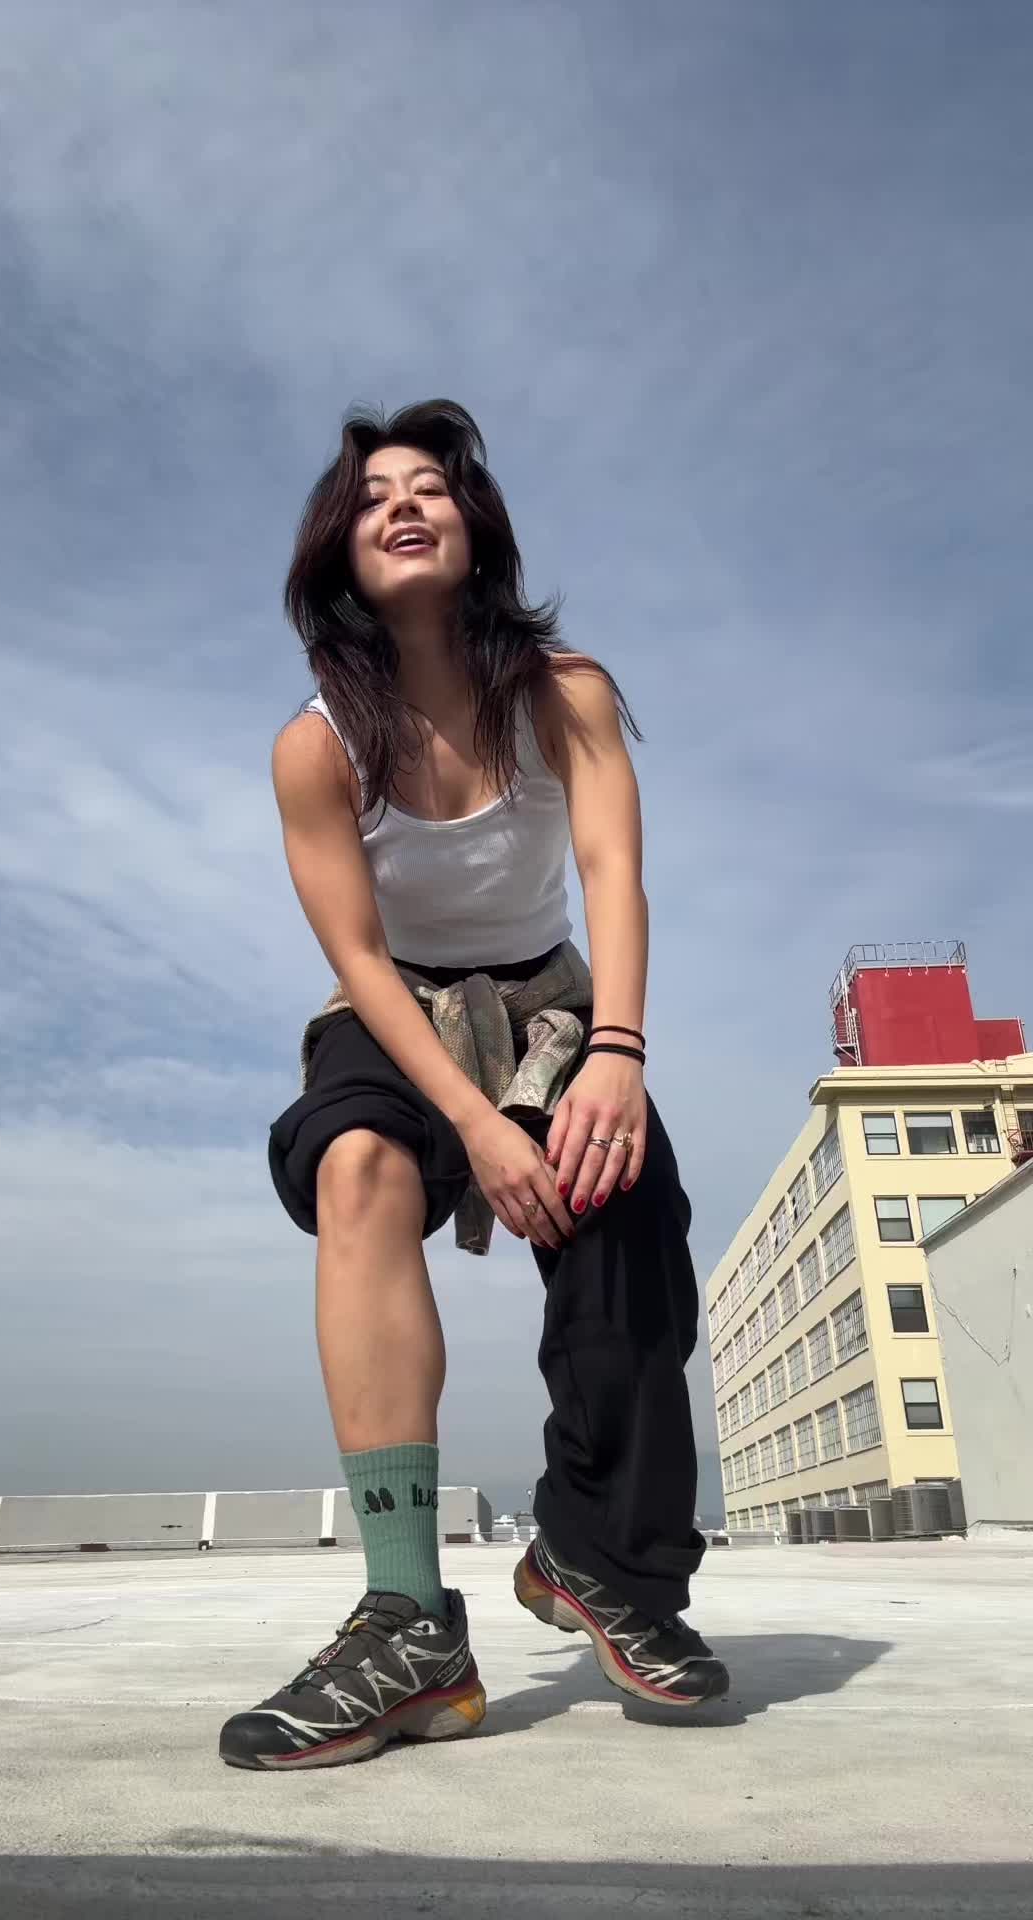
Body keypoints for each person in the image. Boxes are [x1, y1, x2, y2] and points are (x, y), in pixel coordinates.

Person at [219, 399, 728, 1772]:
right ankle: (407, 1623)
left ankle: (599, 1557)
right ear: (338, 549)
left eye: (430, 486)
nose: (403, 503)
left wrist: (616, 1054)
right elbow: (356, 954)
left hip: (555, 998)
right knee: (357, 1166)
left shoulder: (566, 691)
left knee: (625, 1214)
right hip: (396, 1010)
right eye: (373, 493)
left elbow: (614, 871)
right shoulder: (316, 746)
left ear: (473, 526)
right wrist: (470, 1125)